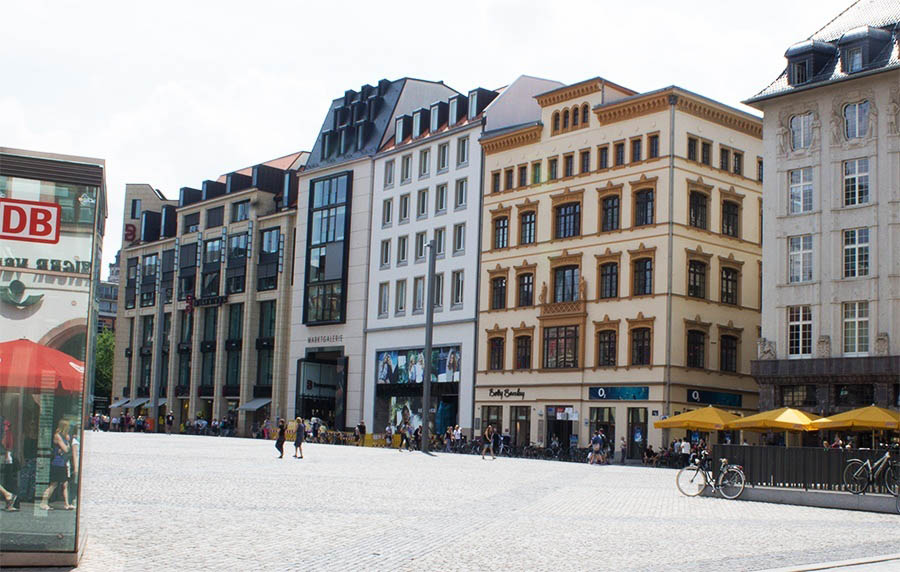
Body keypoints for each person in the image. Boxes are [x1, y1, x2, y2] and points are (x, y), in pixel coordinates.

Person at [41, 419, 74, 510]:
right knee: (53, 484)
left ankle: (67, 504)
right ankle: (43, 502)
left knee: (65, 484)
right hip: (57, 463)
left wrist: (67, 443)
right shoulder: (58, 436)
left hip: (62, 463)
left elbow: (66, 448)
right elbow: (66, 449)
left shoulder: (64, 437)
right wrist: (66, 446)